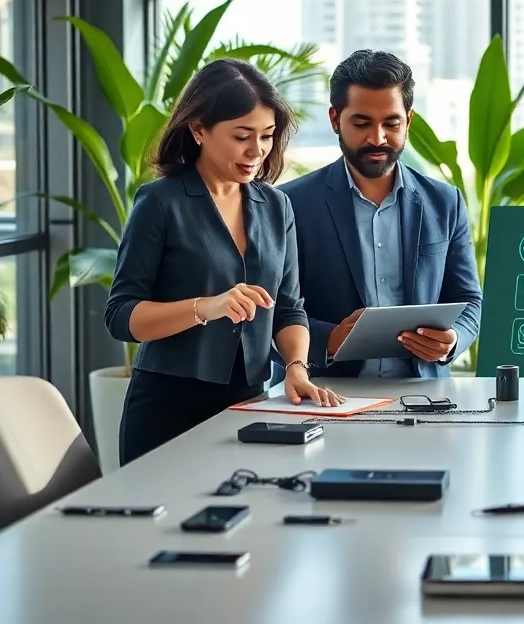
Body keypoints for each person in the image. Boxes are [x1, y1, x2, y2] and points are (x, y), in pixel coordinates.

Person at [106, 59, 344, 466]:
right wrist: (207, 306)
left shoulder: (276, 206)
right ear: (199, 129)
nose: (257, 150)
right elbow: (121, 315)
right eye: (241, 136)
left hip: (248, 401)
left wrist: (296, 367)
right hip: (167, 408)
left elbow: (288, 309)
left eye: (267, 136)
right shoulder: (159, 202)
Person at [275, 49, 483, 380]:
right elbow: (272, 311)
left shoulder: (446, 202)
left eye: (391, 123)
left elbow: (469, 299)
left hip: (424, 393)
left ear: (408, 120)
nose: (377, 138)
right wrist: (328, 341)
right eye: (361, 123)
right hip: (324, 391)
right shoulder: (289, 203)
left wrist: (452, 339)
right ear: (335, 119)